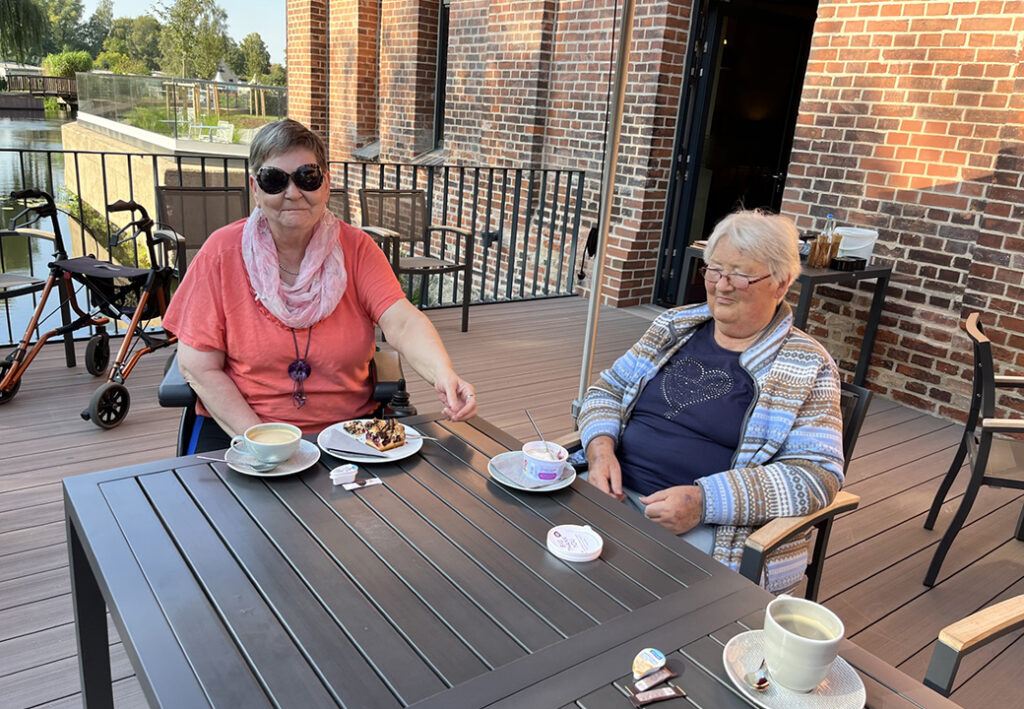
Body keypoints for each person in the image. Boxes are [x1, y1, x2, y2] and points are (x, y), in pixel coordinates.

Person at [162, 118, 476, 453]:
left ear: (325, 184)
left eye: (306, 177)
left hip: (348, 432)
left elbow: (402, 321)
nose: (293, 193)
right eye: (274, 180)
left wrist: (443, 374)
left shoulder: (357, 250)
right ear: (255, 188)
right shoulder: (220, 253)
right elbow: (198, 365)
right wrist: (263, 441)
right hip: (244, 430)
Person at [576, 209, 844, 591]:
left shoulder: (806, 365)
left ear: (781, 284)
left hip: (710, 530)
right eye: (714, 270)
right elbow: (608, 390)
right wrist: (600, 450)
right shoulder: (673, 327)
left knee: (625, 601)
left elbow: (818, 477)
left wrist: (706, 501)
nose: (722, 285)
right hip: (608, 493)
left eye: (740, 274)